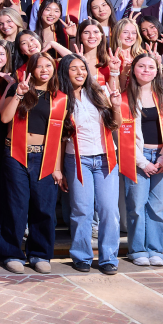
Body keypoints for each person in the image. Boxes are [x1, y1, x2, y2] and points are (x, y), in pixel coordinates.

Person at [0, 51, 65, 275]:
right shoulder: (20, 88)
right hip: (16, 154)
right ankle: (12, 253)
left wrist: (57, 167)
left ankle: (40, 253)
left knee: (44, 207)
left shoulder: (60, 98)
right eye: (39, 66)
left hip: (44, 155)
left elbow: (60, 135)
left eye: (48, 65)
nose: (44, 70)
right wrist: (19, 94)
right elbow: (5, 118)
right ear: (31, 70)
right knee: (15, 205)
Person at [58, 54, 121, 274]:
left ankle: (108, 258)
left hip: (106, 158)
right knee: (81, 210)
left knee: (109, 209)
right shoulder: (60, 99)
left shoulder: (99, 92)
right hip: (77, 158)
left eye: (82, 68)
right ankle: (82, 256)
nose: (79, 73)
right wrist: (58, 169)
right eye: (73, 69)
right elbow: (58, 138)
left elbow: (116, 125)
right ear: (65, 72)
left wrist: (116, 106)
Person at [119, 53, 163, 267]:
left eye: (151, 67)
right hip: (137, 157)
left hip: (162, 157)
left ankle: (155, 250)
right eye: (141, 66)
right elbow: (122, 134)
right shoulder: (125, 97)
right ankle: (137, 250)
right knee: (136, 205)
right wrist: (142, 162)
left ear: (157, 70)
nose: (146, 70)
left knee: (159, 207)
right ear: (133, 69)